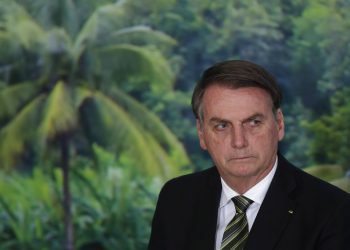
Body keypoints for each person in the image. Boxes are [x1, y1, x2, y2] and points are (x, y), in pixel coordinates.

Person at [148, 60, 350, 250]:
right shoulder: (176, 199)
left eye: (253, 123)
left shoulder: (334, 212)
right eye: (222, 126)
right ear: (201, 133)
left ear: (279, 124)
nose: (239, 141)